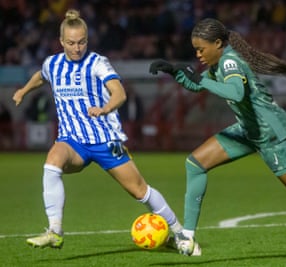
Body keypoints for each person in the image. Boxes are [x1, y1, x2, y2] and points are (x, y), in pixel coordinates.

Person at [149, 18, 286, 263]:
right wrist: (174, 73)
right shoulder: (218, 62)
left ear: (218, 43)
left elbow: (235, 92)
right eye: (195, 50)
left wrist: (201, 79)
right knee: (195, 163)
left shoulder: (230, 61)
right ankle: (188, 236)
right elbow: (199, 86)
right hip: (249, 129)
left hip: (272, 133)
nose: (198, 54)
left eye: (201, 49)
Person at [12, 9, 189, 252]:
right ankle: (55, 231)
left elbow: (119, 92)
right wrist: (23, 91)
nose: (77, 48)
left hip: (106, 141)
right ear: (61, 41)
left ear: (87, 40)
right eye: (72, 43)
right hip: (73, 142)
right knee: (52, 162)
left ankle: (179, 232)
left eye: (82, 42)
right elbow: (41, 76)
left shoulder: (97, 63)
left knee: (140, 191)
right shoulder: (52, 64)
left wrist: (105, 108)